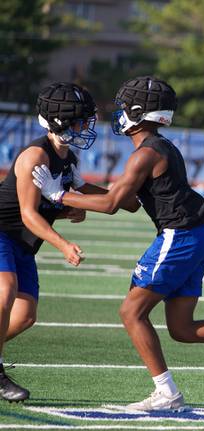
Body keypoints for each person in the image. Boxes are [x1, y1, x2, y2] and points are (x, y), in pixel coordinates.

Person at [33, 76, 204, 411]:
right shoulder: (159, 147)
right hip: (199, 234)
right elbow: (131, 202)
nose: (119, 114)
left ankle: (167, 394)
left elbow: (113, 204)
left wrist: (58, 194)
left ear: (138, 112)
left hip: (180, 235)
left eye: (123, 108)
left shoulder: (144, 154)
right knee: (181, 327)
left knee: (131, 312)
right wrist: (82, 187)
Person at [0, 82, 133, 403]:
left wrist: (122, 196)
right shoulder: (35, 156)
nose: (86, 127)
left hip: (24, 244)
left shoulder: (67, 158)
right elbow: (29, 214)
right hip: (4, 233)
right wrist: (63, 244)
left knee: (25, 316)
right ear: (58, 121)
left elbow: (74, 199)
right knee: (5, 291)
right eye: (79, 121)